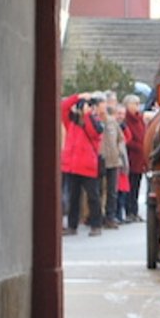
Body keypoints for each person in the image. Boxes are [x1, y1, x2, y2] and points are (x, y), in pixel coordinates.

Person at [60, 91, 104, 236]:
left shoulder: (95, 122)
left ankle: (96, 225)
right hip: (72, 166)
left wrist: (87, 115)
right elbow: (63, 107)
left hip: (87, 166)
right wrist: (78, 97)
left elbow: (93, 133)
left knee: (93, 197)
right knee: (73, 197)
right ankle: (72, 226)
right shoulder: (71, 122)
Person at [98, 91, 125, 228]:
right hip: (99, 160)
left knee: (112, 192)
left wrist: (119, 151)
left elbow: (121, 139)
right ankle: (98, 217)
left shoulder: (112, 122)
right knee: (99, 191)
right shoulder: (94, 121)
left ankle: (110, 217)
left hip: (114, 161)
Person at [121, 94, 146, 223]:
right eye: (134, 104)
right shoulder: (126, 120)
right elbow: (127, 139)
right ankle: (129, 211)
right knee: (129, 186)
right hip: (131, 157)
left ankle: (134, 211)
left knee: (136, 186)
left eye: (138, 104)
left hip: (140, 158)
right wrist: (139, 147)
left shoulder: (140, 119)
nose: (137, 106)